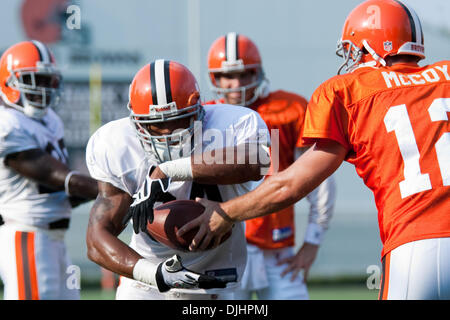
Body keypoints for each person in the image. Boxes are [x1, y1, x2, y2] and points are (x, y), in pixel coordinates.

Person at [179, 0, 450, 300]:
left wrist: (226, 213)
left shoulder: (348, 91)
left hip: (417, 240)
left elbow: (292, 184)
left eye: (353, 50)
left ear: (369, 49)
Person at [85, 59, 271, 300]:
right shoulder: (118, 143)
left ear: (198, 112)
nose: (167, 133)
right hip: (146, 282)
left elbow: (264, 158)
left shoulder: (234, 124)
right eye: (156, 124)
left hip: (214, 281)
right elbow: (96, 238)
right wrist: (155, 275)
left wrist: (169, 169)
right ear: (137, 123)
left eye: (177, 121)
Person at [205, 32, 336, 299]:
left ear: (259, 73)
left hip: (277, 251)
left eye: (245, 74)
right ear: (214, 79)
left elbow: (318, 179)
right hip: (221, 249)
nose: (236, 83)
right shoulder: (206, 116)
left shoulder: (288, 109)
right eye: (228, 76)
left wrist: (312, 241)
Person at [0, 40, 98, 300]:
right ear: (10, 83)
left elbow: (65, 193)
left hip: (54, 237)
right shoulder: (7, 123)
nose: (42, 88)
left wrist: (113, 200)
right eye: (34, 80)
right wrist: (114, 190)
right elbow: (57, 177)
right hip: (27, 233)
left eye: (47, 80)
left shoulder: (49, 120)